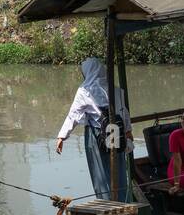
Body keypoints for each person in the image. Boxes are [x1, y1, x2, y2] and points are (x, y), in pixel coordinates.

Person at [54, 57, 131, 201]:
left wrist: (62, 136)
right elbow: (124, 112)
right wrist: (128, 131)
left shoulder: (85, 90)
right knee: (119, 168)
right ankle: (121, 201)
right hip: (117, 132)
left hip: (97, 135)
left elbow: (74, 115)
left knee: (100, 171)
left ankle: (106, 203)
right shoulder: (115, 89)